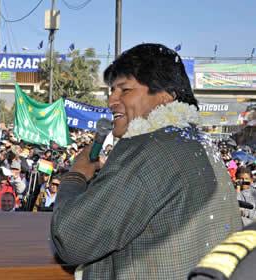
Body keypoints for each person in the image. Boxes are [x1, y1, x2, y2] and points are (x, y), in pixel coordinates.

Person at [50, 43, 242, 279]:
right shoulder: (198, 141)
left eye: (125, 90)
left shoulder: (147, 150)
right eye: (110, 91)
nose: (111, 100)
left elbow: (71, 240)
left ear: (165, 96)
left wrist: (76, 174)